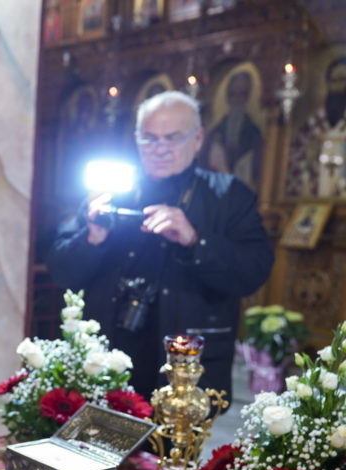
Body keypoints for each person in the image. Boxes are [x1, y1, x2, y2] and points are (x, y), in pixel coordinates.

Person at [47, 90, 274, 404]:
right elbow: (61, 270)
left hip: (186, 369)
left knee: (173, 452)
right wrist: (92, 238)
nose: (160, 149)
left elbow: (254, 271)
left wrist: (195, 240)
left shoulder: (228, 195)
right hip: (105, 361)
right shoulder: (111, 192)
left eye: (172, 138)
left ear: (198, 138)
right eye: (150, 139)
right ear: (137, 139)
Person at [285, 56, 346, 197]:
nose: (340, 87)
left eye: (344, 80)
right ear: (328, 84)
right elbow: (295, 160)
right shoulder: (315, 121)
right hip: (315, 200)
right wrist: (309, 157)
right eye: (335, 81)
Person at [201, 70, 264, 190]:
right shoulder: (215, 134)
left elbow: (258, 173)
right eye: (232, 94)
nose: (236, 99)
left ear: (247, 97)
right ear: (227, 97)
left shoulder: (255, 135)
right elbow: (204, 168)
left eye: (242, 94)